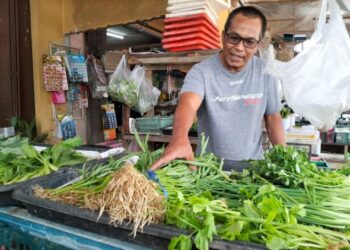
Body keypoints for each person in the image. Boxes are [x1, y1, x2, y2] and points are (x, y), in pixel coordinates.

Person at [151, 6, 285, 171]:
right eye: (234, 38)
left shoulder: (265, 73)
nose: (239, 47)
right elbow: (188, 104)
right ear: (223, 36)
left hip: (253, 170)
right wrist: (179, 138)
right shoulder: (201, 72)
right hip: (210, 170)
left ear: (258, 45)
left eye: (249, 42)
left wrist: (283, 158)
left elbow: (273, 119)